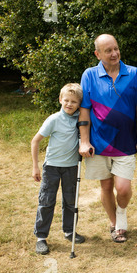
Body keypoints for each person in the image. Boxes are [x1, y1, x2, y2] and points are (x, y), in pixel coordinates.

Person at [78, 34, 137, 243]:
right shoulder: (89, 75)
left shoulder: (134, 73)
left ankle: (121, 213)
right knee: (106, 187)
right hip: (99, 143)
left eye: (116, 48)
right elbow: (84, 110)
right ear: (97, 54)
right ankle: (114, 224)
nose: (114, 53)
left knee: (123, 188)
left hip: (125, 142)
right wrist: (84, 141)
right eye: (108, 50)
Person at [31, 83, 86, 255]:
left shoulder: (81, 119)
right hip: (52, 167)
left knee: (70, 201)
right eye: (67, 100)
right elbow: (35, 141)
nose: (69, 104)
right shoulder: (53, 119)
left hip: (71, 167)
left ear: (79, 104)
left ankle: (69, 231)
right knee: (47, 201)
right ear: (60, 100)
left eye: (74, 102)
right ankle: (41, 237)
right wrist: (35, 167)